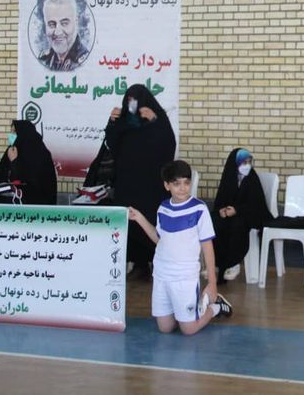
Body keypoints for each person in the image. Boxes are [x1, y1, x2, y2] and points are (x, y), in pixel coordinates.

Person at [128, 160, 233, 335]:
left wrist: (212, 282)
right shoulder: (163, 208)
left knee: (188, 330)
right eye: (176, 184)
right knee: (165, 328)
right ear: (167, 185)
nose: (182, 188)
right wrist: (139, 218)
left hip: (185, 277)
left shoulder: (199, 209)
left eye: (186, 182)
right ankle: (185, 312)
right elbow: (159, 239)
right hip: (161, 274)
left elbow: (207, 246)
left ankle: (215, 307)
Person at [105, 84, 176, 279]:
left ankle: (154, 259)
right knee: (129, 219)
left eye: (136, 100)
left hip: (151, 183)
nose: (132, 104)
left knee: (148, 218)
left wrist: (154, 121)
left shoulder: (158, 119)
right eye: (129, 100)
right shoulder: (124, 120)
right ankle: (136, 261)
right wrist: (112, 123)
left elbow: (168, 145)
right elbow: (112, 144)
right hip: (127, 181)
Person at [212, 148, 273, 283]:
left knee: (236, 225)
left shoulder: (252, 178)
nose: (247, 166)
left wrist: (237, 210)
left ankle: (233, 263)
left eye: (249, 162)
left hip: (250, 214)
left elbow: (255, 203)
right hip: (230, 214)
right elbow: (221, 199)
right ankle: (218, 264)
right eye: (244, 163)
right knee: (215, 222)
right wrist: (222, 210)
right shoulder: (229, 176)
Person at [0, 120, 57, 205]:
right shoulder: (13, 150)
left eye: (14, 131)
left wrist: (14, 162)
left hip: (34, 201)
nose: (11, 135)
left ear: (24, 133)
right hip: (12, 194)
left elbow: (30, 183)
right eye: (11, 131)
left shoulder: (40, 154)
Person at [38, 0, 89, 71]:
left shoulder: (86, 62)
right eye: (51, 24)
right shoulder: (44, 61)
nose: (57, 32)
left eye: (64, 23)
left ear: (76, 22)